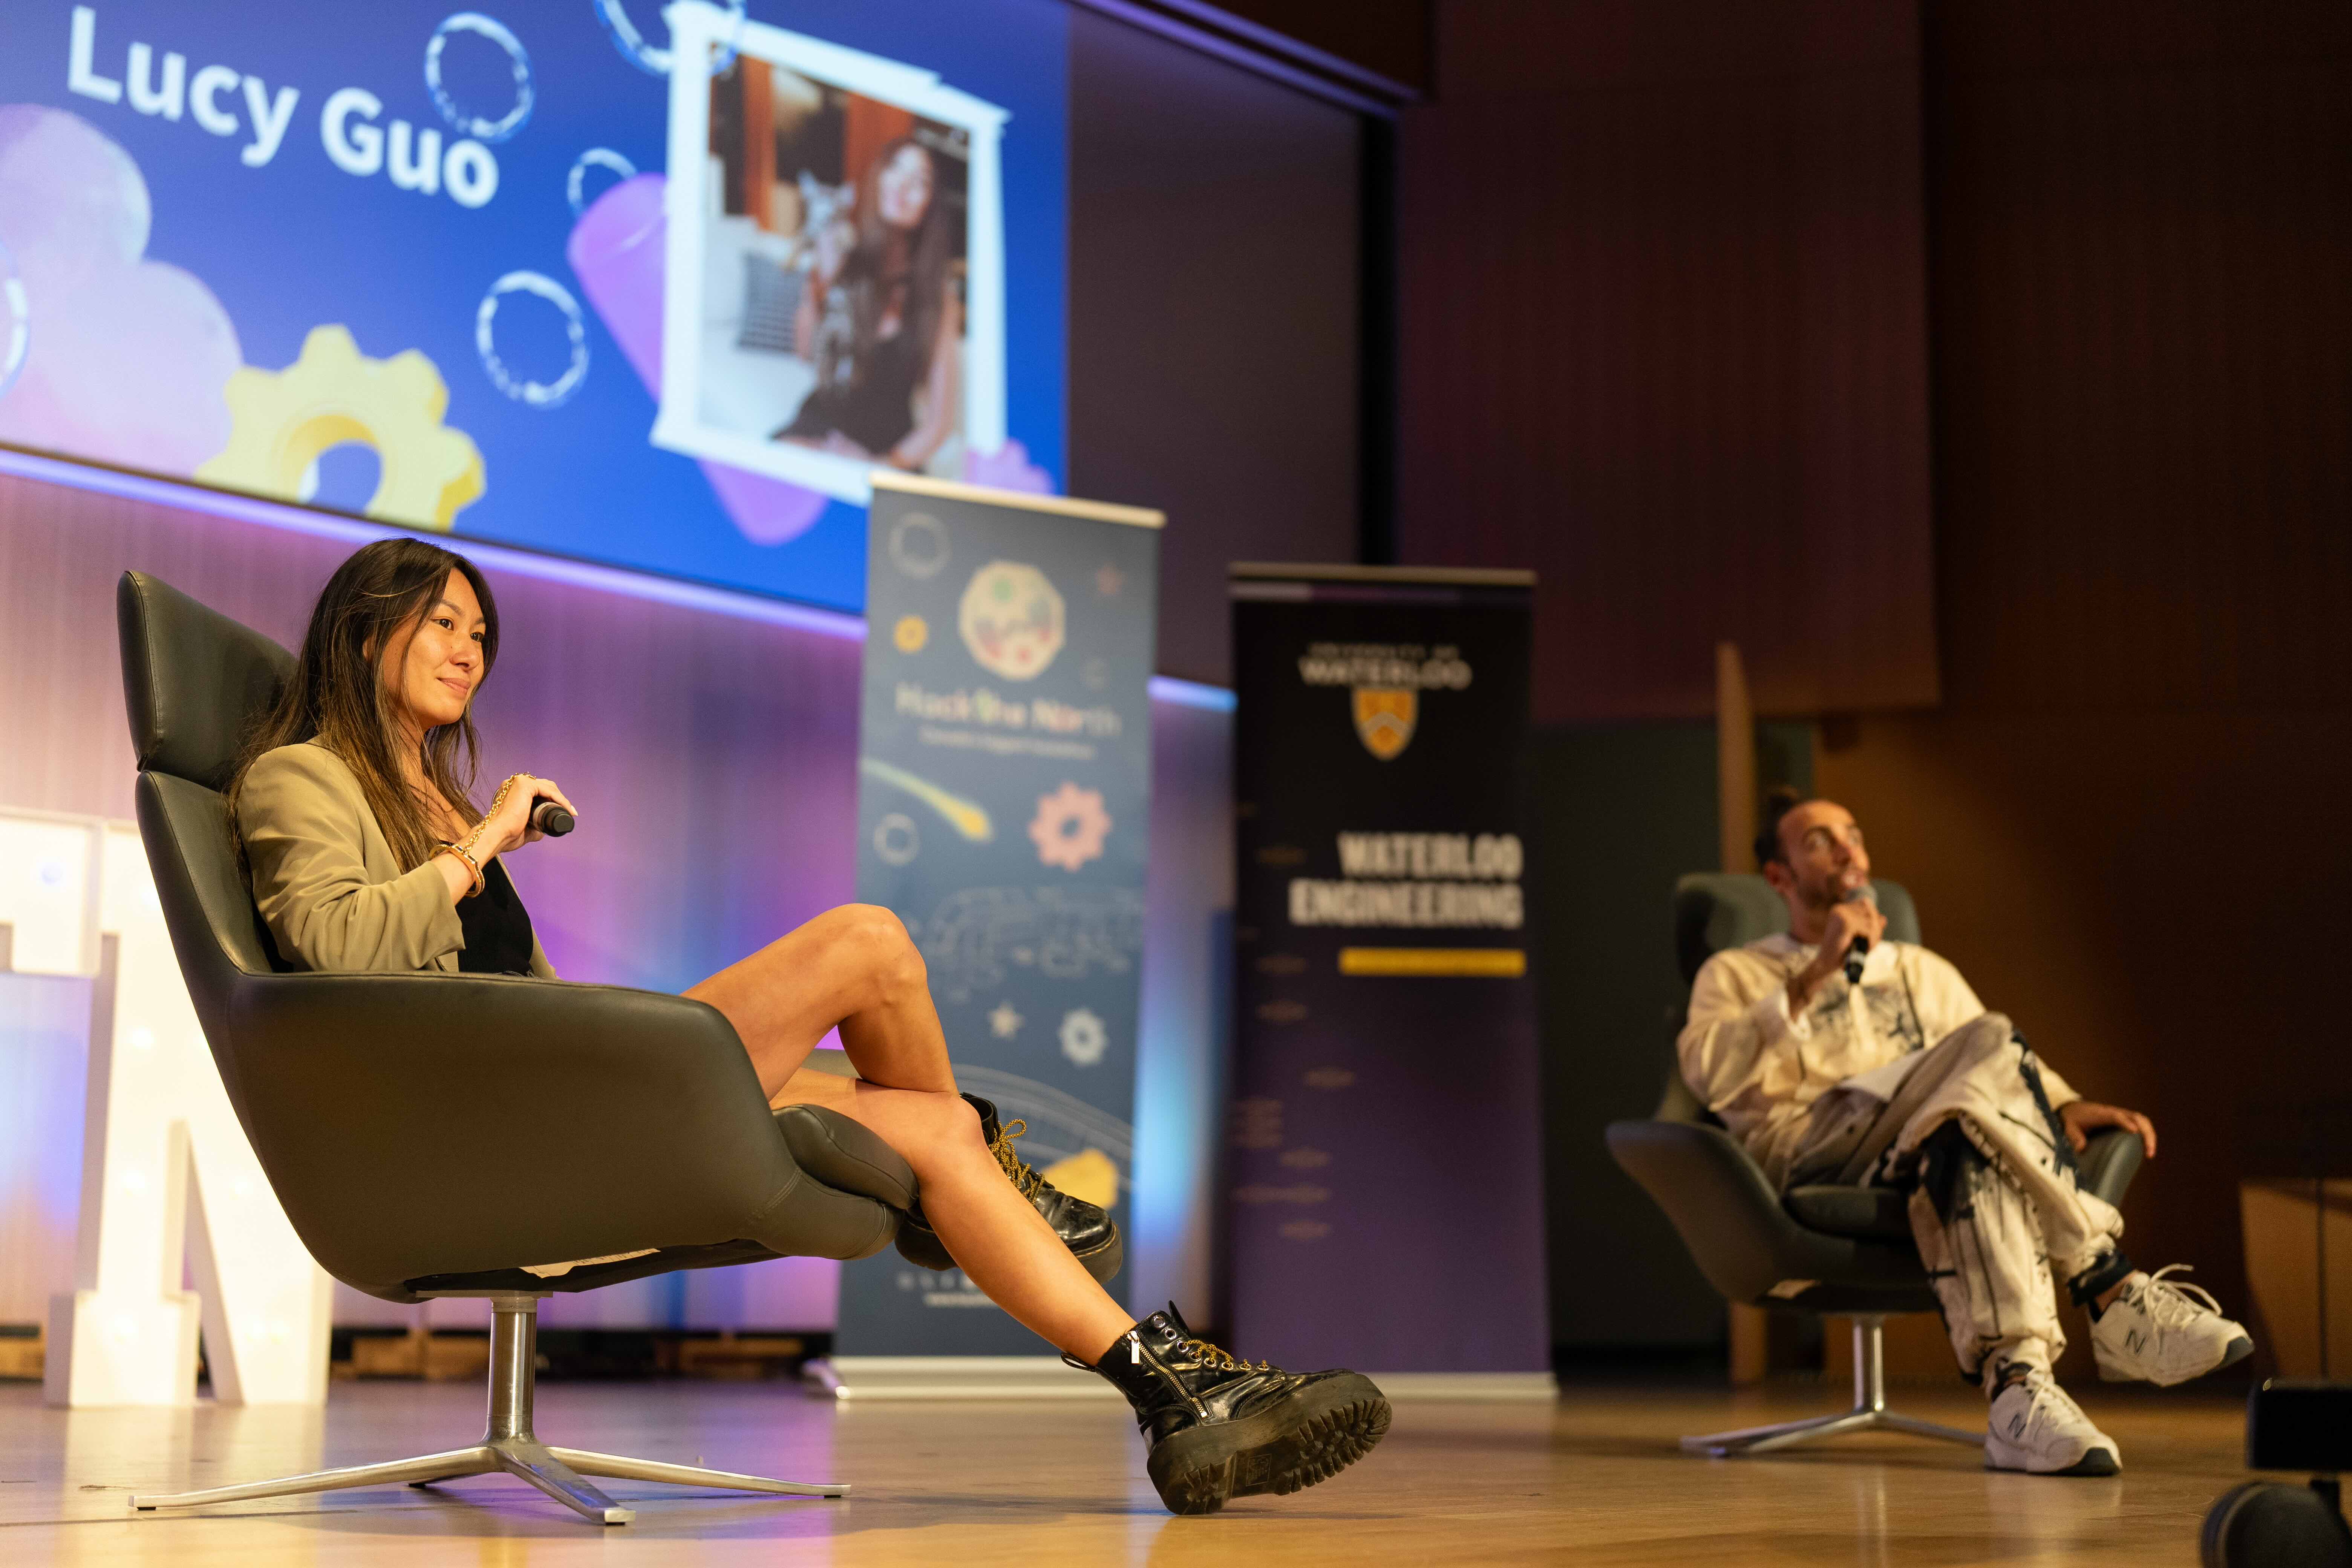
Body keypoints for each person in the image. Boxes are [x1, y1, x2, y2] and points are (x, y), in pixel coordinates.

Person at [224, 539, 1389, 1515]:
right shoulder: (301, 776)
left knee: (929, 1131)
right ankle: (1014, 1190)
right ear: (363, 631)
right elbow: (339, 952)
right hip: (489, 1134)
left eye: (482, 631)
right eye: (442, 623)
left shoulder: (432, 797)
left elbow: (500, 992)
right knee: (866, 944)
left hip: (546, 1089)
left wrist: (472, 845)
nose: (471, 648)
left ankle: (1167, 1391)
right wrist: (482, 848)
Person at [1679, 794, 2252, 1477]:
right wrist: (1816, 975)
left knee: (1965, 1136)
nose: (1847, 850)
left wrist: (2067, 1103)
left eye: (1854, 835)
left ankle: (2018, 1394)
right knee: (1985, 1040)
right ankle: (2106, 1283)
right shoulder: (1738, 972)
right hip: (1807, 1150)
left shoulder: (1923, 971)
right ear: (1778, 878)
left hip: (1916, 1149)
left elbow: (2001, 1068)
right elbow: (1706, 1075)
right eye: (1819, 841)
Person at [778, 135, 960, 472]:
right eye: (895, 168)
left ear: (930, 204)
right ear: (879, 176)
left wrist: (880, 465)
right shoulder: (842, 262)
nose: (902, 185)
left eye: (919, 181)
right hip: (821, 424)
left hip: (890, 448)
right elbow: (806, 354)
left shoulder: (939, 299)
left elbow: (940, 423)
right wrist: (817, 285)